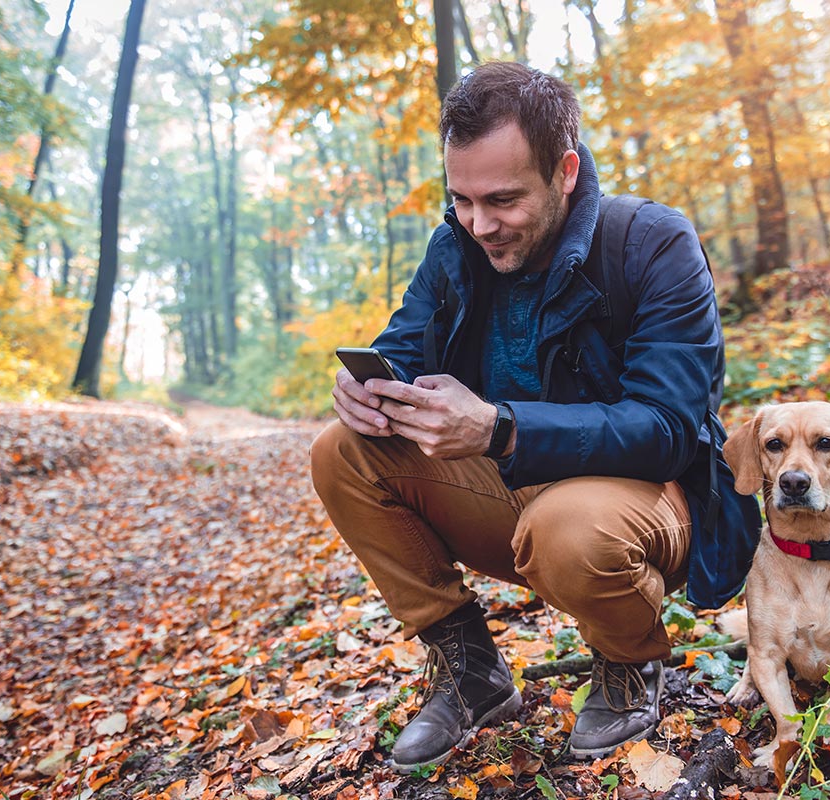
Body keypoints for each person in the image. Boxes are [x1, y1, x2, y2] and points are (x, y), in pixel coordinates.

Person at [310, 62, 759, 772]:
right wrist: (367, 390)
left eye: (503, 200)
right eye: (461, 198)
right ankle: (471, 673)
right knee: (342, 452)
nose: (480, 223)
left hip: (647, 501)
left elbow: (671, 428)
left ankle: (628, 662)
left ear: (566, 171)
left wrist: (500, 428)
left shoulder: (652, 243)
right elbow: (399, 348)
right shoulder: (454, 245)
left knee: (571, 528)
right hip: (513, 487)